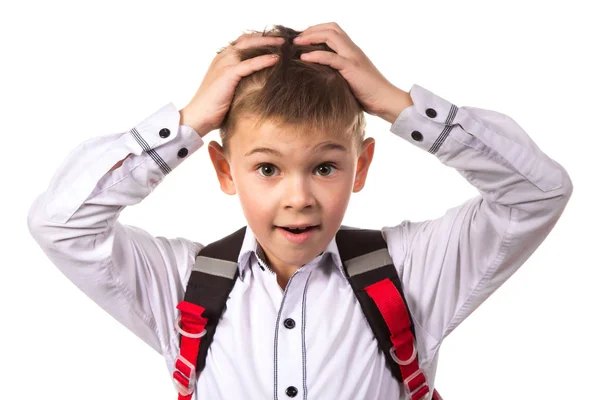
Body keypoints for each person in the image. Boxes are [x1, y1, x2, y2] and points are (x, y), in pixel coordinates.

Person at [27, 22, 573, 400]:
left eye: (325, 167)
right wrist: (188, 121)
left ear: (360, 167)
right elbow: (61, 224)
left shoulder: (411, 272)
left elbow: (537, 192)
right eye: (267, 168)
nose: (299, 197)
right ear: (224, 169)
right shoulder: (182, 285)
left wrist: (397, 103)